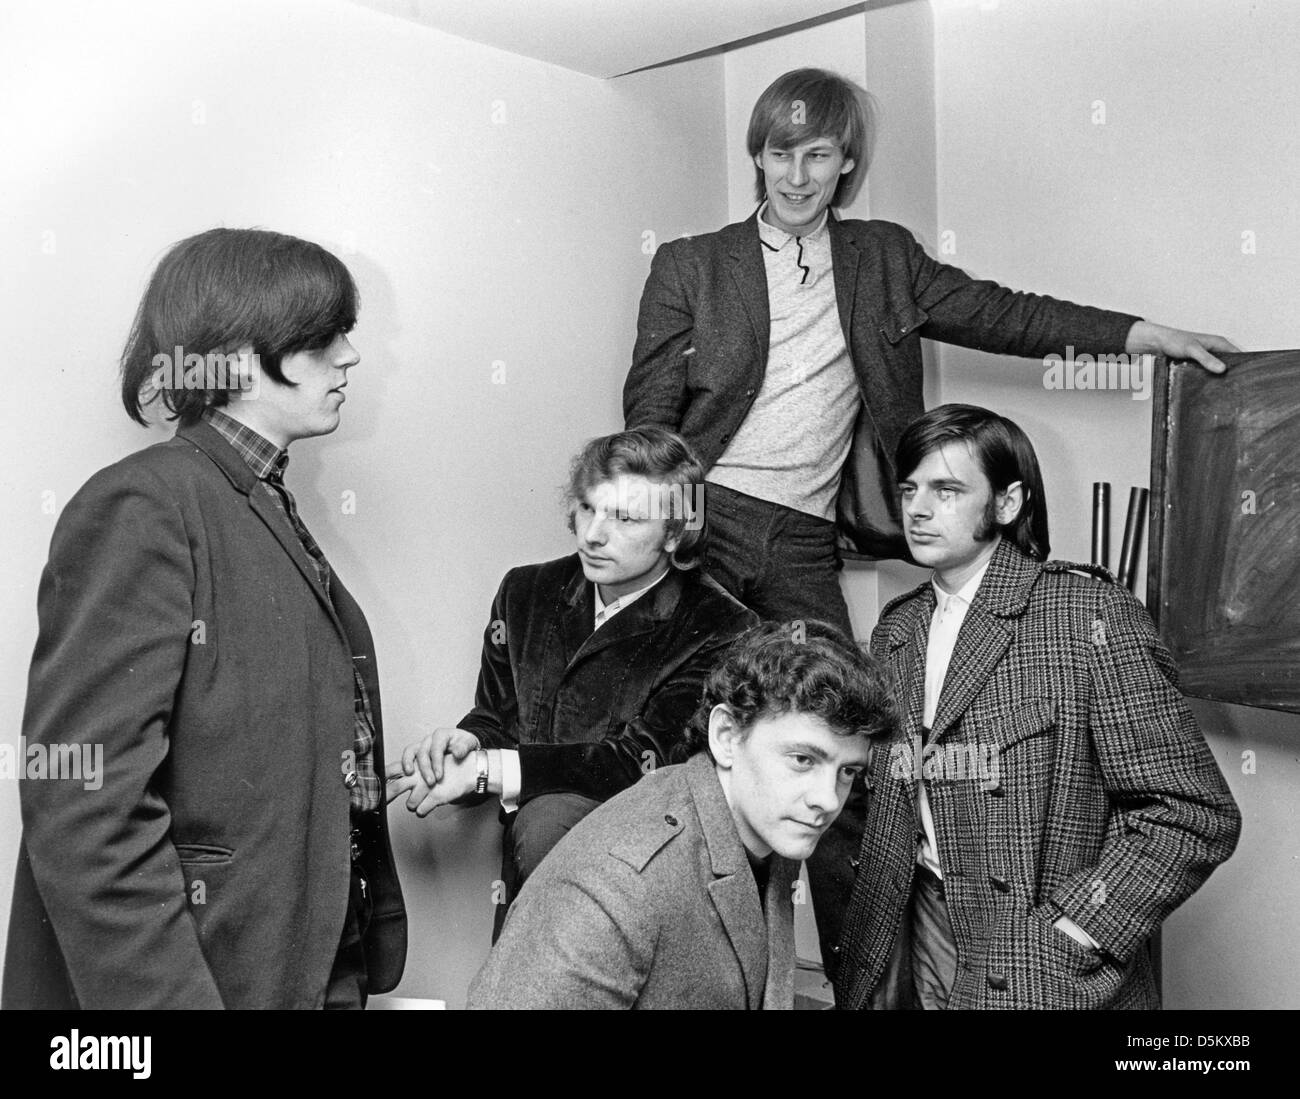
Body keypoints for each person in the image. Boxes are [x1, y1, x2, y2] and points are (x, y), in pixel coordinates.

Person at [623, 64, 1238, 959]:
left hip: (799, 539)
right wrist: (656, 529)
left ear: (846, 163)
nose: (796, 175)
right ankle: (682, 967)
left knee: (840, 753)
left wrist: (1144, 336)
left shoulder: (882, 258)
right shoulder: (690, 263)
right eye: (779, 153)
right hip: (705, 515)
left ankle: (855, 977)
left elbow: (1004, 315)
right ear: (756, 156)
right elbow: (649, 416)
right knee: (695, 743)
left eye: (818, 155)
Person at [2, 228, 406, 1009]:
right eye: (327, 335)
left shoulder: (261, 503)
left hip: (306, 964)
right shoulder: (145, 504)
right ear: (243, 353)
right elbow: (86, 801)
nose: (351, 355)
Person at [830, 404, 1241, 1009]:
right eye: (909, 489)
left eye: (947, 490)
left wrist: (1073, 932)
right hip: (903, 937)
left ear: (1007, 503)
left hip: (1034, 963)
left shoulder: (1087, 615)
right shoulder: (899, 625)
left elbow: (1191, 814)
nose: (916, 509)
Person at [387, 428, 756, 936]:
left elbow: (638, 762)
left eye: (625, 517)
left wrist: (484, 770)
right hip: (533, 868)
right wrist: (468, 742)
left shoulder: (723, 626)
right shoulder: (525, 590)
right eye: (587, 508)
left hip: (644, 878)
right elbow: (500, 720)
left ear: (676, 533)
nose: (593, 535)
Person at [466, 620, 894, 1009]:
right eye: (803, 759)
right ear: (727, 736)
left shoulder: (765, 820)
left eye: (848, 772)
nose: (828, 799)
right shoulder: (619, 884)